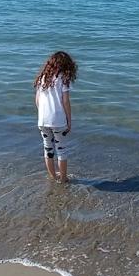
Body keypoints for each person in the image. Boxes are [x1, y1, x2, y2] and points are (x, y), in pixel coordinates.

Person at [34, 50, 78, 182]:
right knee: (61, 150)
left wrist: (42, 114)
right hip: (58, 120)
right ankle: (63, 179)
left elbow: (37, 100)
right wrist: (69, 121)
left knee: (48, 149)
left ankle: (53, 177)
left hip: (42, 120)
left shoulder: (43, 78)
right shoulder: (63, 79)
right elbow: (65, 101)